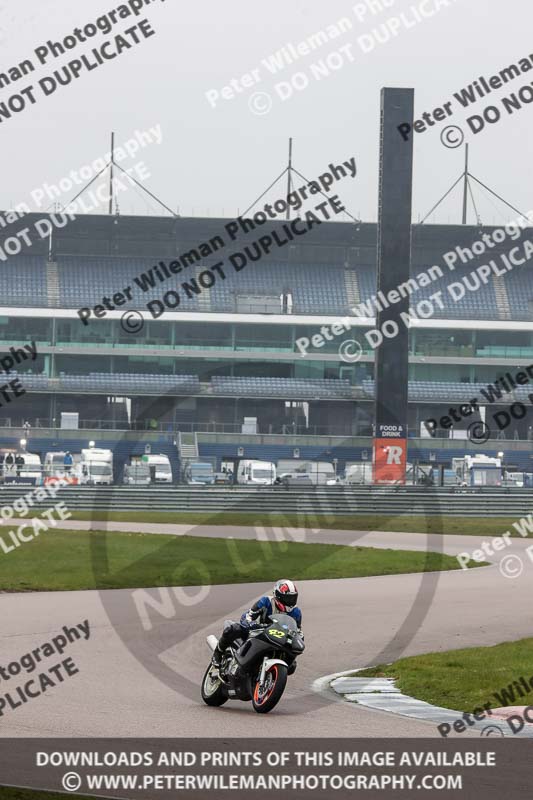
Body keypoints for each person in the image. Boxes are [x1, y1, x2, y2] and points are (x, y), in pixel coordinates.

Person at [211, 579, 301, 667]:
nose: (290, 601)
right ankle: (218, 653)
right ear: (277, 595)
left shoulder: (296, 612)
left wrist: (299, 638)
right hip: (258, 633)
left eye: (293, 598)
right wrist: (251, 624)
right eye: (287, 598)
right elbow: (248, 616)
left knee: (292, 665)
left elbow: (298, 631)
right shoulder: (266, 601)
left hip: (278, 640)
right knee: (234, 629)